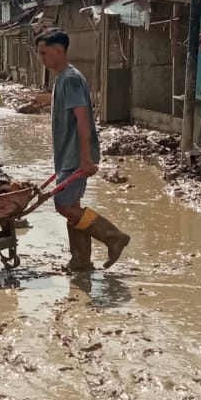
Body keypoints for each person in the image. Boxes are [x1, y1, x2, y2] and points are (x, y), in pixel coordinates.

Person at [36, 28, 130, 271]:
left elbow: (83, 119)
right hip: (68, 155)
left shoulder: (70, 79)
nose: (42, 58)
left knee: (62, 205)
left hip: (76, 156)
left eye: (44, 53)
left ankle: (113, 236)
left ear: (59, 50)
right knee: (73, 207)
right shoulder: (62, 80)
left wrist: (86, 159)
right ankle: (80, 261)